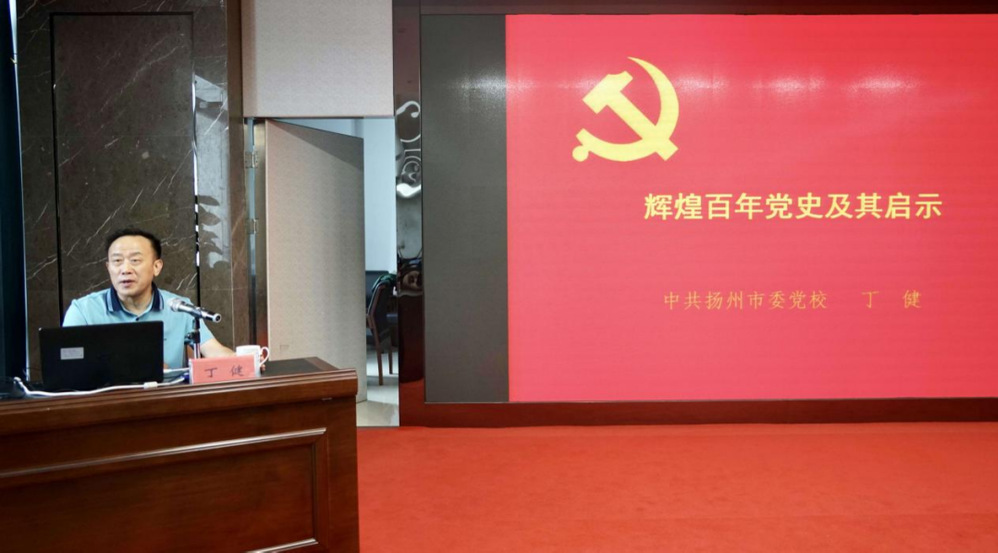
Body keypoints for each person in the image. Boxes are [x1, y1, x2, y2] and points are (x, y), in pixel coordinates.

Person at [63, 228, 235, 368]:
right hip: (106, 398)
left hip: (166, 397)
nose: (125, 269)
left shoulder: (180, 308)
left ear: (156, 267)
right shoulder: (83, 310)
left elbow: (214, 351)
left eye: (135, 260)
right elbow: (66, 362)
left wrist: (245, 361)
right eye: (117, 261)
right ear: (108, 268)